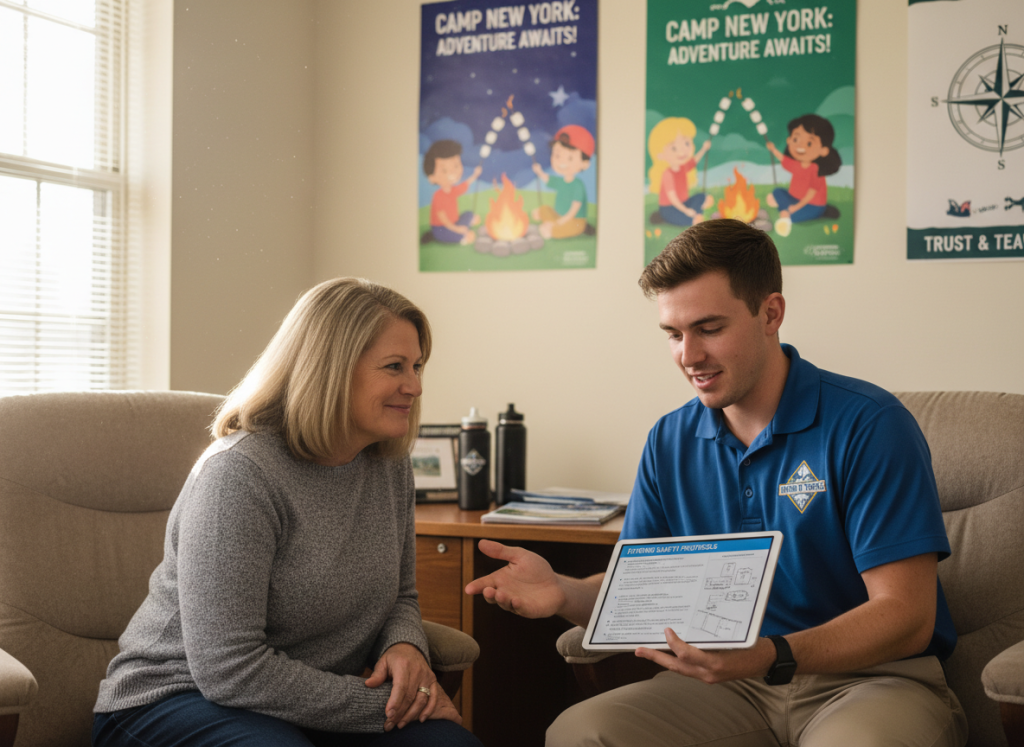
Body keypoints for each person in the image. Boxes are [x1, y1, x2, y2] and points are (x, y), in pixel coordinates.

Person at [466, 219, 968, 747]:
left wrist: (770, 653)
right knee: (579, 734)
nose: (688, 356)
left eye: (708, 329)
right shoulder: (669, 440)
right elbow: (642, 597)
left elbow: (906, 616)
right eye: (673, 334)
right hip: (730, 688)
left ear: (770, 313)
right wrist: (562, 590)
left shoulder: (870, 424)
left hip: (873, 682)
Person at [93, 278, 483, 747]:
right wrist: (382, 707)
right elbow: (228, 669)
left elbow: (401, 595)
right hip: (175, 698)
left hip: (303, 701)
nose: (415, 386)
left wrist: (405, 645)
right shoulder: (238, 474)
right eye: (394, 366)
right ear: (330, 368)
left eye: (417, 366)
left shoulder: (389, 466)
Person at [765, 114, 842, 223]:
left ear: (823, 150)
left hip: (812, 205)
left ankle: (787, 212)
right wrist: (773, 149)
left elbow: (810, 195)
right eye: (795, 139)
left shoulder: (816, 170)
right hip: (794, 199)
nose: (800, 146)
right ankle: (785, 210)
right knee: (777, 191)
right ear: (789, 140)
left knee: (792, 216)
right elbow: (783, 159)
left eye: (809, 143)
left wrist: (795, 208)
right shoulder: (797, 165)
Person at [530, 124, 595, 239]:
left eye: (570, 158)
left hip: (574, 220)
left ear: (584, 164)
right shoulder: (561, 181)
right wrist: (539, 172)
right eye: (557, 155)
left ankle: (551, 229)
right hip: (558, 216)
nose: (561, 162)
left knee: (561, 229)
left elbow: (573, 211)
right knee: (543, 209)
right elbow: (548, 179)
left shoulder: (578, 185)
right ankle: (550, 226)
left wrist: (560, 222)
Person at [647, 117, 714, 227]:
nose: (682, 151)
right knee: (687, 217)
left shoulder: (683, 167)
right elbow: (673, 199)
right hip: (669, 208)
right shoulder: (668, 174)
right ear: (660, 155)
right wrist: (686, 210)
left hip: (684, 202)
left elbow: (694, 161)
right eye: (674, 148)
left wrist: (703, 149)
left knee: (702, 196)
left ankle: (695, 214)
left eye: (686, 143)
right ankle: (693, 217)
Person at [422, 139, 483, 245]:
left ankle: (464, 229)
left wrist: (475, 175)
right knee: (455, 234)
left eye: (456, 166)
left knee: (469, 214)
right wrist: (457, 229)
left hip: (455, 221)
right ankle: (462, 238)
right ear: (432, 178)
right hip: (442, 228)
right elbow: (444, 220)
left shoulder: (453, 190)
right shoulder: (438, 196)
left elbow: (465, 184)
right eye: (444, 170)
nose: (453, 172)